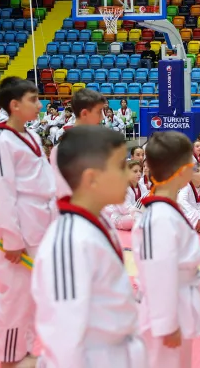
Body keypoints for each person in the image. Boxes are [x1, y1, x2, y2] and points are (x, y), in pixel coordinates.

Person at [32, 126, 146, 368]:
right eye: (120, 167)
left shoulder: (99, 221)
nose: (128, 175)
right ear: (91, 178)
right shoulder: (69, 240)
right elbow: (64, 337)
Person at [0, 77, 56, 367]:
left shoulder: (33, 136)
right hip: (19, 232)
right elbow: (0, 192)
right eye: (33, 99)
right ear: (14, 105)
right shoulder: (0, 142)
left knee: (33, 298)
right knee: (15, 298)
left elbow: (46, 182)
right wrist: (11, 238)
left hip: (40, 226)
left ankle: (23, 350)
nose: (40, 105)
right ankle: (9, 357)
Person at [132, 131, 200, 368]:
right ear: (180, 169)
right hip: (162, 313)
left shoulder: (168, 211)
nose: (194, 166)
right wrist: (166, 324)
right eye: (190, 162)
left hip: (176, 303)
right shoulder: (159, 218)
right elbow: (157, 273)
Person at [50, 88, 106, 201]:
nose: (102, 117)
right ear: (84, 113)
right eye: (99, 112)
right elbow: (64, 195)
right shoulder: (62, 150)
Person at [104, 160, 148, 231]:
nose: (139, 173)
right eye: (135, 171)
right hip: (120, 217)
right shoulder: (122, 187)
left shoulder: (143, 187)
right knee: (137, 219)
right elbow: (125, 210)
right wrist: (139, 210)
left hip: (135, 214)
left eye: (140, 171)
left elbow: (146, 204)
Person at [178, 163, 200, 233]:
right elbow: (181, 201)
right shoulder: (186, 187)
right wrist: (196, 215)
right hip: (192, 216)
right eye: (197, 171)